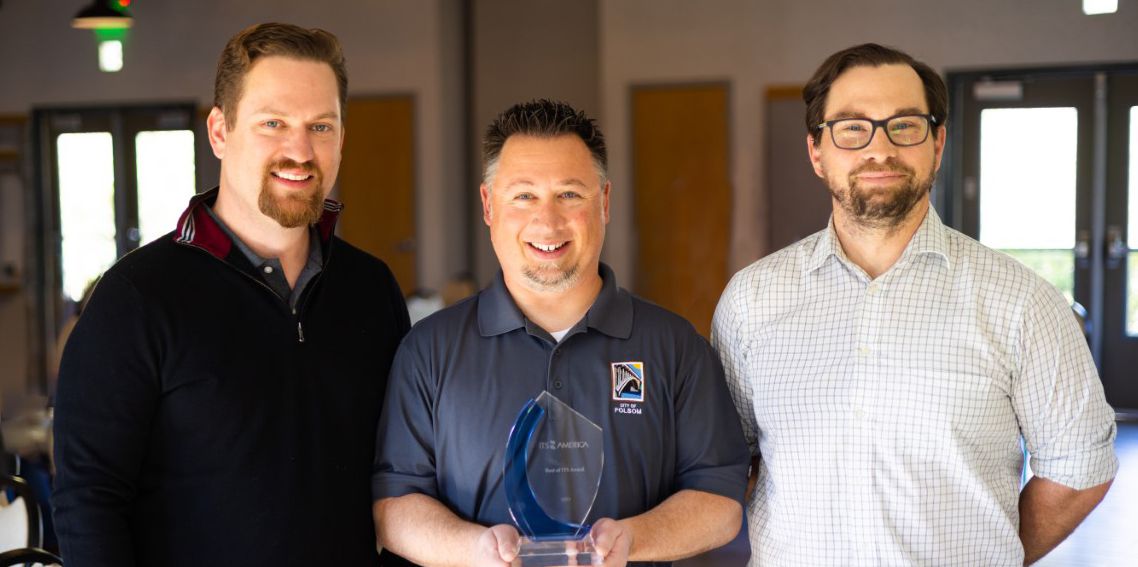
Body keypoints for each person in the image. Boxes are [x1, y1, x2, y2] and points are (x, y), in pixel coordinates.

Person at [712, 43, 1118, 566]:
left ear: (938, 143)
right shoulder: (751, 301)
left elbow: (1080, 465)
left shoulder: (1021, 301)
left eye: (904, 124)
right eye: (852, 128)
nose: (879, 148)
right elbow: (727, 463)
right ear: (816, 151)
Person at [52, 22, 410, 566]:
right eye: (273, 123)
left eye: (321, 126)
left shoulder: (371, 289)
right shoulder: (136, 298)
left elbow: (402, 477)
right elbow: (89, 503)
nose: (300, 149)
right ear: (220, 131)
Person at [371, 100, 750, 567]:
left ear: (605, 202)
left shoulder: (674, 347)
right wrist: (475, 550)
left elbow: (720, 500)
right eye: (524, 195)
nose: (547, 222)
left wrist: (635, 538)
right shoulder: (428, 351)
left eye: (570, 195)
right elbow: (394, 507)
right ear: (489, 205)